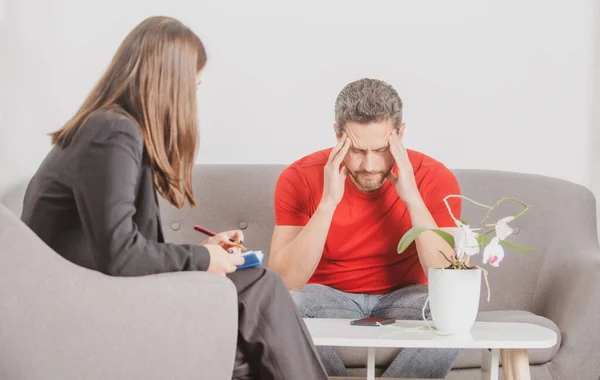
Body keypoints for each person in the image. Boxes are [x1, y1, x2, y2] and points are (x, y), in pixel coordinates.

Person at [20, 16, 327, 380]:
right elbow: (119, 255)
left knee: (249, 318)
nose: (193, 101)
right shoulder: (113, 133)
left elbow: (122, 248)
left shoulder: (109, 129)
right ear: (172, 85)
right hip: (85, 305)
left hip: (93, 291)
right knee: (261, 285)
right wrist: (202, 259)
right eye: (193, 88)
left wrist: (206, 250)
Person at [268, 78, 462, 378]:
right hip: (326, 296)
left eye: (381, 149)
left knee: (455, 310)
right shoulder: (298, 177)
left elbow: (447, 278)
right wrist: (328, 202)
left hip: (406, 297)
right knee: (275, 307)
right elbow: (283, 282)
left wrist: (412, 199)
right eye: (357, 150)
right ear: (337, 134)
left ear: (400, 135)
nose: (370, 165)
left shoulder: (435, 177)